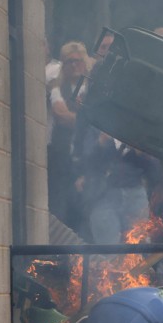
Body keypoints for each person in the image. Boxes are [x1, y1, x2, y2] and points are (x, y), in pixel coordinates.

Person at [47, 41, 90, 230]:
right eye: (69, 61)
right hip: (61, 158)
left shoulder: (92, 89)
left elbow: (89, 123)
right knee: (59, 209)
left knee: (86, 213)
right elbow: (63, 117)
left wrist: (81, 121)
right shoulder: (58, 88)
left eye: (78, 61)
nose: (74, 65)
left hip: (87, 161)